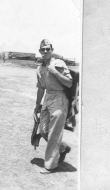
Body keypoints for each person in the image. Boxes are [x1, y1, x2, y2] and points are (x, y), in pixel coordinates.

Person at [34, 39, 73, 174]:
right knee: (43, 130)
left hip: (59, 98)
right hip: (47, 98)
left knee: (54, 132)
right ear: (39, 51)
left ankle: (51, 165)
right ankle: (62, 148)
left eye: (48, 49)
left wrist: (55, 72)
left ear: (52, 51)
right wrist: (37, 105)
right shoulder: (40, 68)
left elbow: (69, 83)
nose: (45, 51)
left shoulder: (58, 64)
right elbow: (40, 88)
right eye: (43, 49)